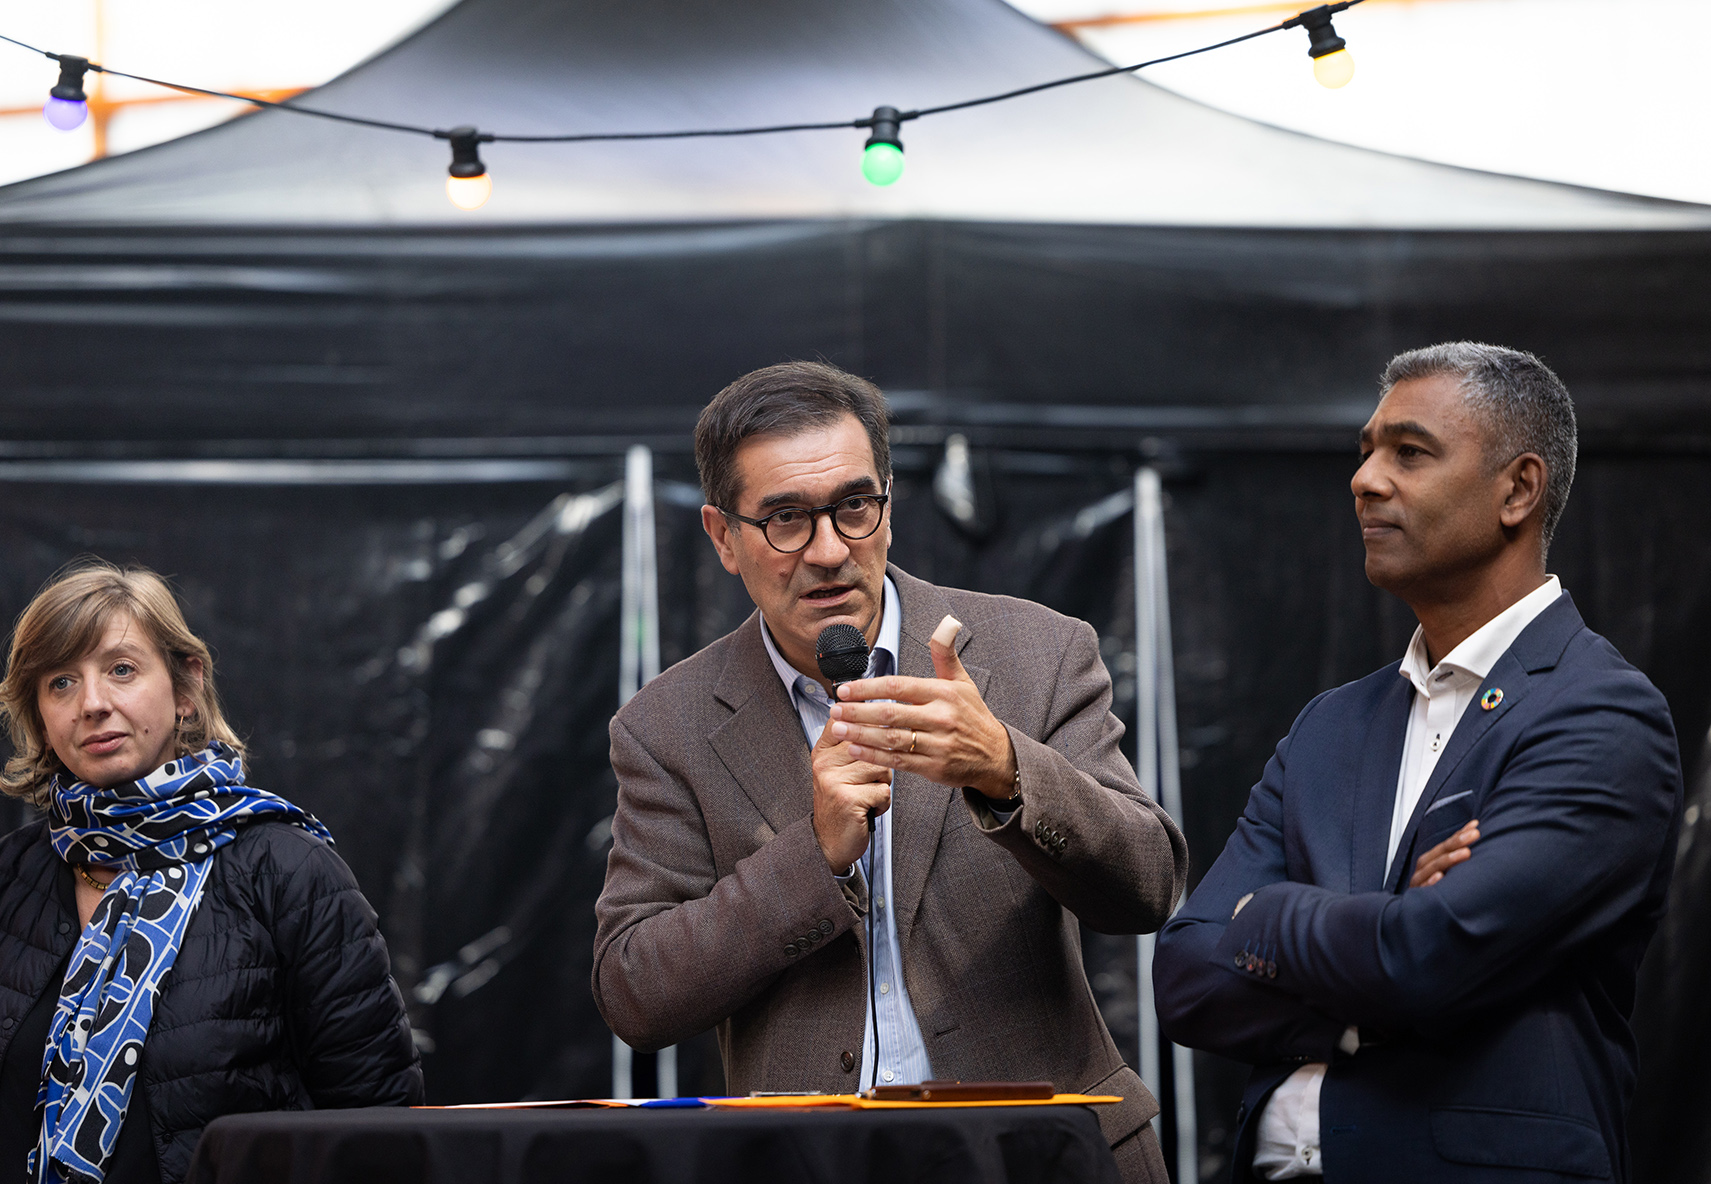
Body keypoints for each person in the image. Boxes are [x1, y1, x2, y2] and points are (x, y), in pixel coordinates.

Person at [592, 361, 1188, 1179]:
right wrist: (813, 856)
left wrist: (1007, 769)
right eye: (785, 519)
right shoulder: (668, 725)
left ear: (888, 505)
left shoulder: (1038, 651)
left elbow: (1149, 888)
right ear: (722, 537)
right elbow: (635, 993)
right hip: (811, 1163)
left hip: (1039, 1154)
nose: (828, 550)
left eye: (853, 506)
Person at [1154, 343, 1682, 1183]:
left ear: (1517, 490)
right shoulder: (1332, 724)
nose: (1364, 479)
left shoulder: (1600, 714)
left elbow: (1426, 958)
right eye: (1365, 451)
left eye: (1408, 452)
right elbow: (1185, 980)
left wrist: (1263, 917)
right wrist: (1372, 959)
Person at [0, 562, 422, 1184]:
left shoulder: (290, 872)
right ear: (40, 717)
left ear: (186, 687)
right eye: (61, 682)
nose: (93, 703)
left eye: (121, 669)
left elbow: (379, 1124)